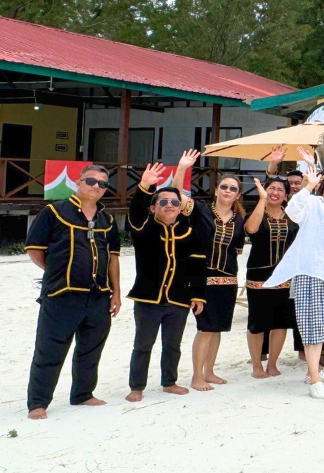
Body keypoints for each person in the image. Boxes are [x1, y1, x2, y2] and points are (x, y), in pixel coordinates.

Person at [25, 164, 121, 420]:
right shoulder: (54, 212)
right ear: (78, 183)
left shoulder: (107, 219)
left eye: (102, 184)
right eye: (91, 181)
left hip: (98, 296)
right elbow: (34, 249)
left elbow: (113, 257)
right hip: (62, 295)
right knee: (49, 349)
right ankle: (38, 402)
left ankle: (82, 394)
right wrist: (56, 271)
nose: (96, 187)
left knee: (91, 349)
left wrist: (116, 293)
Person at [264, 166, 324, 400]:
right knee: (312, 326)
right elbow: (293, 210)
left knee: (322, 323)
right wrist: (309, 185)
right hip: (311, 273)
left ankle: (312, 371)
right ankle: (315, 379)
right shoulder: (313, 202)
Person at [125, 163, 206, 403]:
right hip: (148, 299)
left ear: (180, 208)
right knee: (143, 345)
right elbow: (136, 212)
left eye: (174, 202)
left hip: (179, 299)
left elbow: (197, 265)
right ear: (153, 208)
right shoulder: (143, 229)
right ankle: (137, 386)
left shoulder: (189, 231)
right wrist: (144, 186)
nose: (169, 205)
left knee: (173, 345)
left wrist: (198, 295)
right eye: (163, 202)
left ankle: (169, 382)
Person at [172, 151, 246, 392]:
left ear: (237, 195)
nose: (227, 191)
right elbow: (176, 195)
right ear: (216, 190)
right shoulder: (200, 210)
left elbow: (235, 251)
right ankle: (196, 376)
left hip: (228, 280)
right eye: (223, 186)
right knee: (205, 328)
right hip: (201, 279)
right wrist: (182, 168)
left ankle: (209, 371)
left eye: (232, 188)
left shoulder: (239, 221)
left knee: (217, 329)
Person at [244, 176, 298, 379]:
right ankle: (257, 364)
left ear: (286, 195)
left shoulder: (292, 217)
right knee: (257, 322)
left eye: (280, 190)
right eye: (271, 188)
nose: (275, 193)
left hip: (285, 274)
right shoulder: (258, 213)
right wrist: (262, 200)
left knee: (280, 322)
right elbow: (251, 229)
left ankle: (273, 363)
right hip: (259, 273)